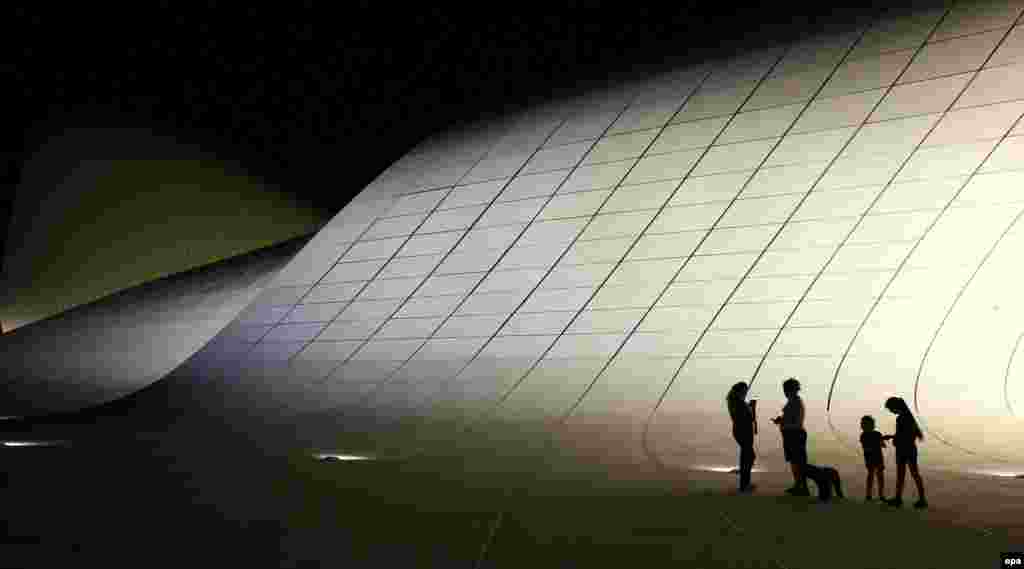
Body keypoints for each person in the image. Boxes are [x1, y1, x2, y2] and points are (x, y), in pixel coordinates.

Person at [881, 397, 927, 509]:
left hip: (904, 450)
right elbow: (906, 434)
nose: (891, 411)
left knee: (906, 474)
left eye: (891, 409)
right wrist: (892, 437)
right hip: (909, 448)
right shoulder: (908, 417)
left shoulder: (902, 418)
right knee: (912, 474)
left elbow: (903, 435)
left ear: (895, 407)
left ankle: (904, 499)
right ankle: (914, 498)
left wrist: (893, 438)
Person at [772, 378, 808, 496]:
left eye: (785, 389)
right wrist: (781, 420)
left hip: (795, 434)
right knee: (794, 461)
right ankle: (798, 485)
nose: (784, 391)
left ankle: (802, 487)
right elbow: (791, 418)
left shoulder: (796, 402)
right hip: (791, 434)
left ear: (790, 390)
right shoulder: (793, 401)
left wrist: (782, 422)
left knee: (798, 462)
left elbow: (796, 422)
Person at [726, 382, 757, 493]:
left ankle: (745, 483)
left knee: (747, 456)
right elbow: (749, 418)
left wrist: (748, 406)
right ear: (740, 391)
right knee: (747, 457)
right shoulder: (738, 403)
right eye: (744, 391)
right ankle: (744, 485)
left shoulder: (735, 401)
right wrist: (751, 407)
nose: (745, 393)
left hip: (740, 431)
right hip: (743, 431)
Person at [859, 415, 886, 501]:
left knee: (871, 475)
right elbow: (883, 445)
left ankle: (869, 495)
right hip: (877, 457)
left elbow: (865, 447)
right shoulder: (877, 434)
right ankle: (880, 495)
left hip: (869, 458)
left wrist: (879, 441)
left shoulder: (863, 435)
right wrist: (880, 441)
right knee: (879, 476)